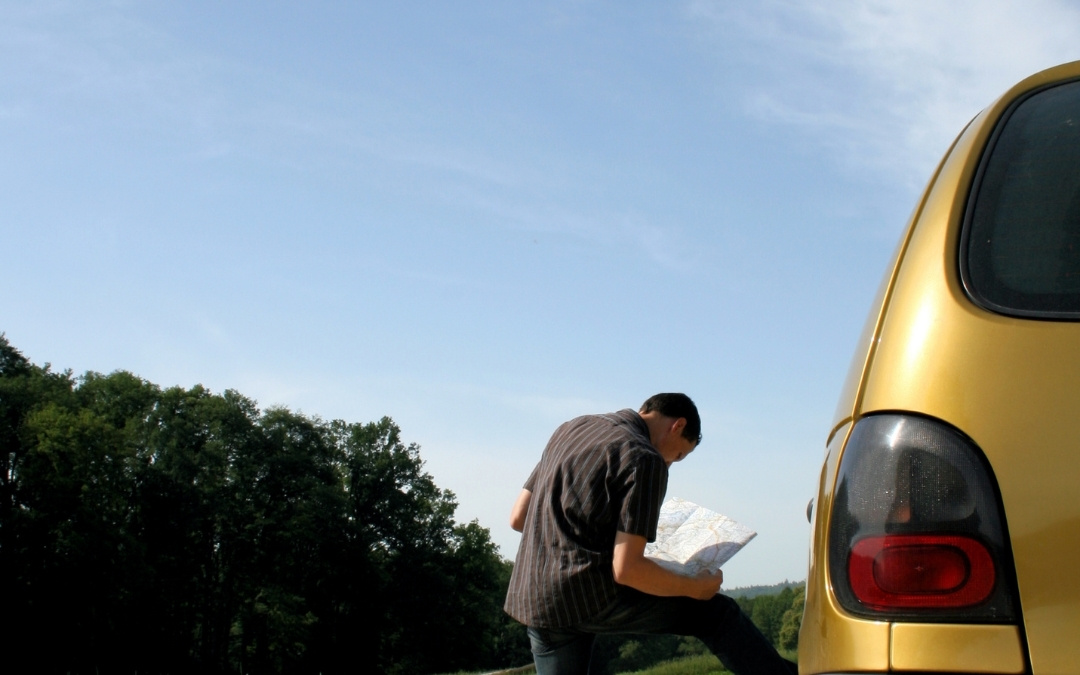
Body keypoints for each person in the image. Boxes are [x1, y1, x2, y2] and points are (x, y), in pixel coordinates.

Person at [504, 393, 797, 675]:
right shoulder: (644, 458)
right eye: (678, 455)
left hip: (534, 597)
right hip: (588, 596)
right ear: (678, 425)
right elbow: (626, 570)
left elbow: (519, 518)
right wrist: (695, 587)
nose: (670, 463)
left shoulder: (571, 429)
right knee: (716, 614)